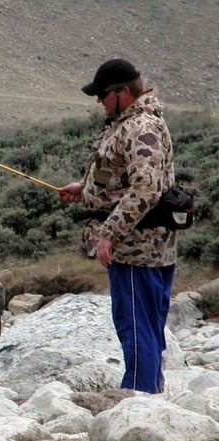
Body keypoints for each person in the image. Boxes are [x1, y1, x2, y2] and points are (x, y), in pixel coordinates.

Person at [58, 59, 176, 394]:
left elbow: (146, 188)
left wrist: (109, 234)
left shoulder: (141, 128)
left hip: (138, 251)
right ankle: (149, 392)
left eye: (104, 95)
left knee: (136, 328)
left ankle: (138, 399)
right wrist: (86, 189)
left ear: (124, 92)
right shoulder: (127, 124)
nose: (99, 101)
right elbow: (123, 178)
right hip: (140, 247)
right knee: (145, 327)